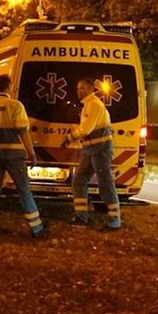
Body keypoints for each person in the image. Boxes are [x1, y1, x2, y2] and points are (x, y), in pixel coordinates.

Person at [0, 74, 46, 241]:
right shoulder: (16, 106)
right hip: (13, 155)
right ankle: (37, 228)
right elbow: (22, 131)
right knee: (23, 190)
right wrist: (31, 153)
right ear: (10, 87)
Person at [63, 77, 121, 231]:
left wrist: (70, 137)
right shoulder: (88, 105)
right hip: (90, 150)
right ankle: (81, 217)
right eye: (78, 88)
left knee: (105, 183)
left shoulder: (94, 105)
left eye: (82, 88)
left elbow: (86, 129)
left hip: (100, 150)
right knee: (78, 181)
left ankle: (114, 220)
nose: (79, 91)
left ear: (91, 89)